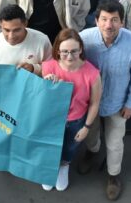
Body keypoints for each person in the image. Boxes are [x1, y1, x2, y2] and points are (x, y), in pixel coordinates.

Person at [78, 0, 131, 201]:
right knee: (91, 134)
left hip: (118, 103)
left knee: (115, 143)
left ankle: (113, 176)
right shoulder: (84, 39)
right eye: (104, 19)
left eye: (114, 20)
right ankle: (92, 151)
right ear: (96, 21)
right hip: (90, 103)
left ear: (122, 22)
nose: (109, 25)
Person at [41, 29, 101, 192]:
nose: (69, 56)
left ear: (81, 49)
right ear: (57, 50)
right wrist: (45, 85)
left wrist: (86, 127)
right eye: (64, 52)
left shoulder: (92, 73)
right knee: (51, 146)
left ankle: (64, 167)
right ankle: (49, 169)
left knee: (69, 147)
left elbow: (95, 103)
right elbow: (39, 99)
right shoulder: (48, 67)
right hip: (52, 119)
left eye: (74, 51)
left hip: (76, 120)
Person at [0, 4, 52, 75]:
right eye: (7, 30)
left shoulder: (42, 40)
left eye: (16, 30)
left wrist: (33, 68)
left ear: (25, 24)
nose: (11, 36)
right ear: (0, 26)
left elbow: (54, 69)